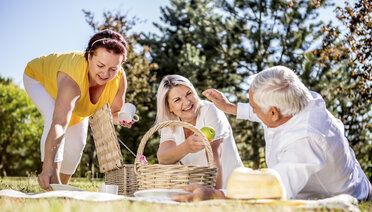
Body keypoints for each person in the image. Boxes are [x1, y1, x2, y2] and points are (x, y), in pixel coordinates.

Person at [173, 66, 372, 202]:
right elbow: (264, 112)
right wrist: (230, 107)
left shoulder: (305, 140)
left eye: (254, 107)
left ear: (274, 113)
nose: (254, 111)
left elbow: (275, 187)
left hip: (345, 193)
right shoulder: (298, 99)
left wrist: (214, 195)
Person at [23, 29, 132, 190]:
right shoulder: (72, 79)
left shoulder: (119, 78)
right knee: (53, 117)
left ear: (120, 66)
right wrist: (47, 168)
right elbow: (59, 124)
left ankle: (62, 188)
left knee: (77, 144)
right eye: (100, 65)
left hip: (75, 101)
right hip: (40, 81)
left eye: (113, 69)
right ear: (89, 57)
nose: (105, 74)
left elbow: (115, 113)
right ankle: (52, 182)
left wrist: (122, 119)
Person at [156, 75, 243, 189]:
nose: (187, 102)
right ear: (169, 107)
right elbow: (163, 159)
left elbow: (214, 156)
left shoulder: (210, 110)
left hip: (232, 187)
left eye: (189, 93)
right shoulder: (171, 123)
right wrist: (186, 147)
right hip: (199, 189)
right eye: (177, 100)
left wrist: (214, 196)